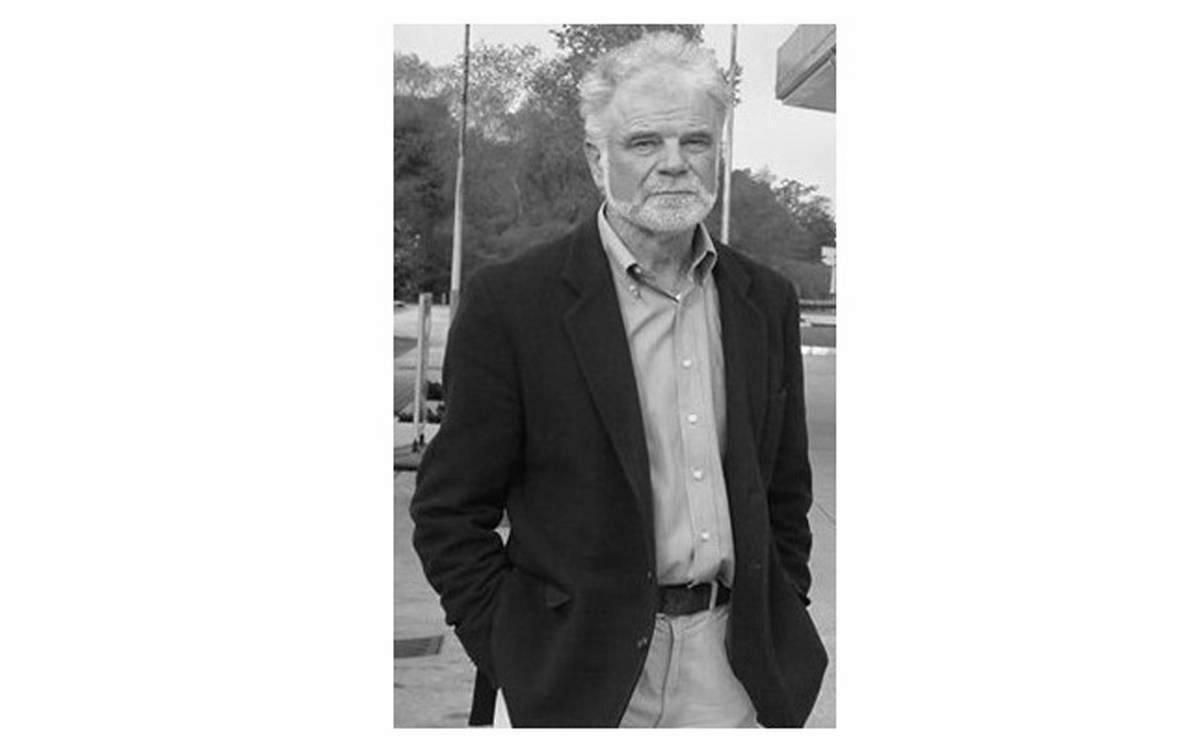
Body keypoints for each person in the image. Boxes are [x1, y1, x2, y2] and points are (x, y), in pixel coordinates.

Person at [410, 31, 827, 728]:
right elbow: (449, 512)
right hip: (576, 676)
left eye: (696, 141)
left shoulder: (765, 300)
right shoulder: (514, 304)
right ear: (595, 158)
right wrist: (515, 649)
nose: (674, 163)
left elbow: (785, 492)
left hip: (734, 673)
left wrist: (785, 606)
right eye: (644, 143)